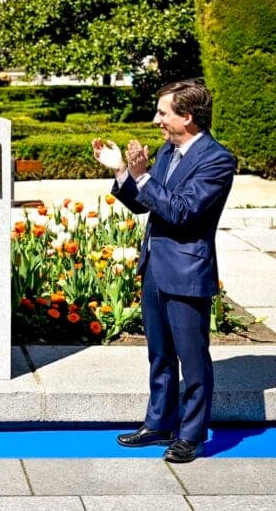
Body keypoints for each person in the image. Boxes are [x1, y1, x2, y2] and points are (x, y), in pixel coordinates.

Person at [92, 79, 234, 464]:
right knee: (159, 354)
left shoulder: (217, 159)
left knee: (192, 358)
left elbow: (183, 211)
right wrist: (123, 171)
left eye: (163, 113)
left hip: (187, 272)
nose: (157, 120)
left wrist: (142, 177)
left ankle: (191, 435)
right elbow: (146, 205)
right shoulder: (167, 151)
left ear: (187, 116)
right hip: (155, 266)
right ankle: (159, 423)